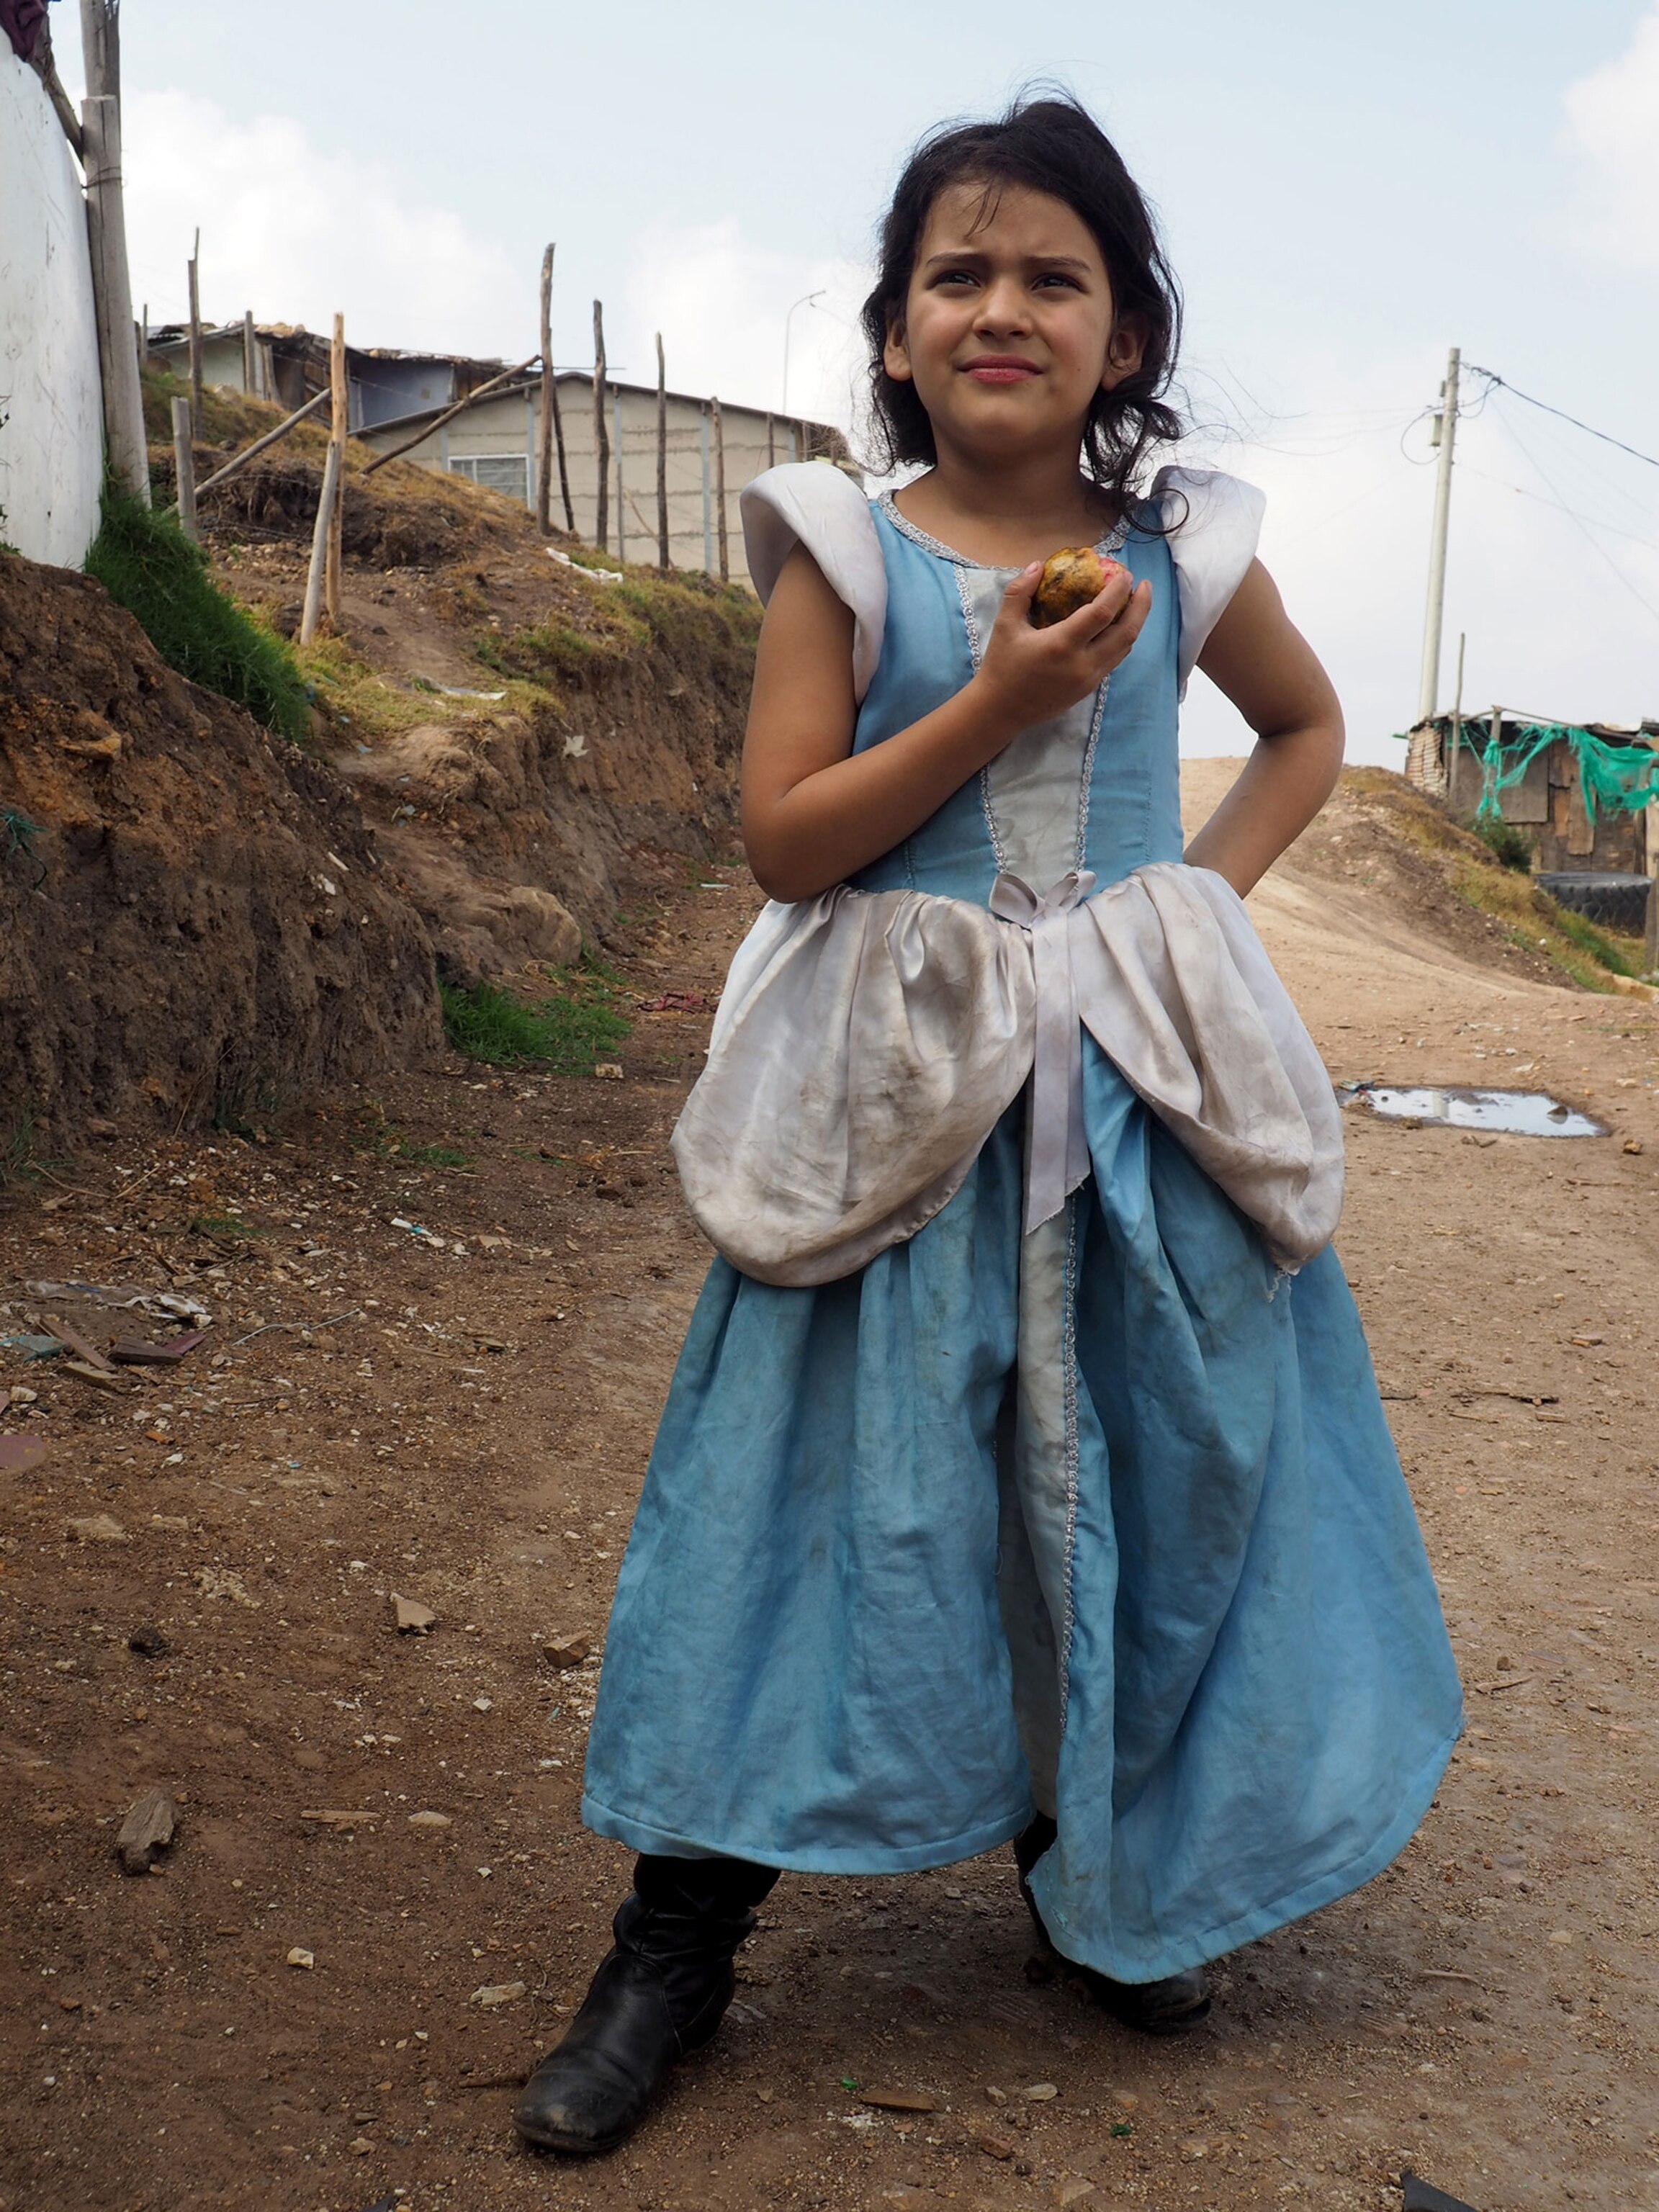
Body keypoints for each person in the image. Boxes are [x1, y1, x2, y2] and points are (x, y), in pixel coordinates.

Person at [513, 93, 1461, 2159]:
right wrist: (999, 708)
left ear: (1128, 335)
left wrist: (1180, 909)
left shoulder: (1182, 549)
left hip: (1125, 1105)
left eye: (1055, 275)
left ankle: (1098, 1884)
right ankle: (677, 1937)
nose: (1002, 306)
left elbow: (1305, 731)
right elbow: (785, 840)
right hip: (887, 1116)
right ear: (893, 328)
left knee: (1129, 1469)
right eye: (961, 273)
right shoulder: (841, 550)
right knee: (803, 1492)